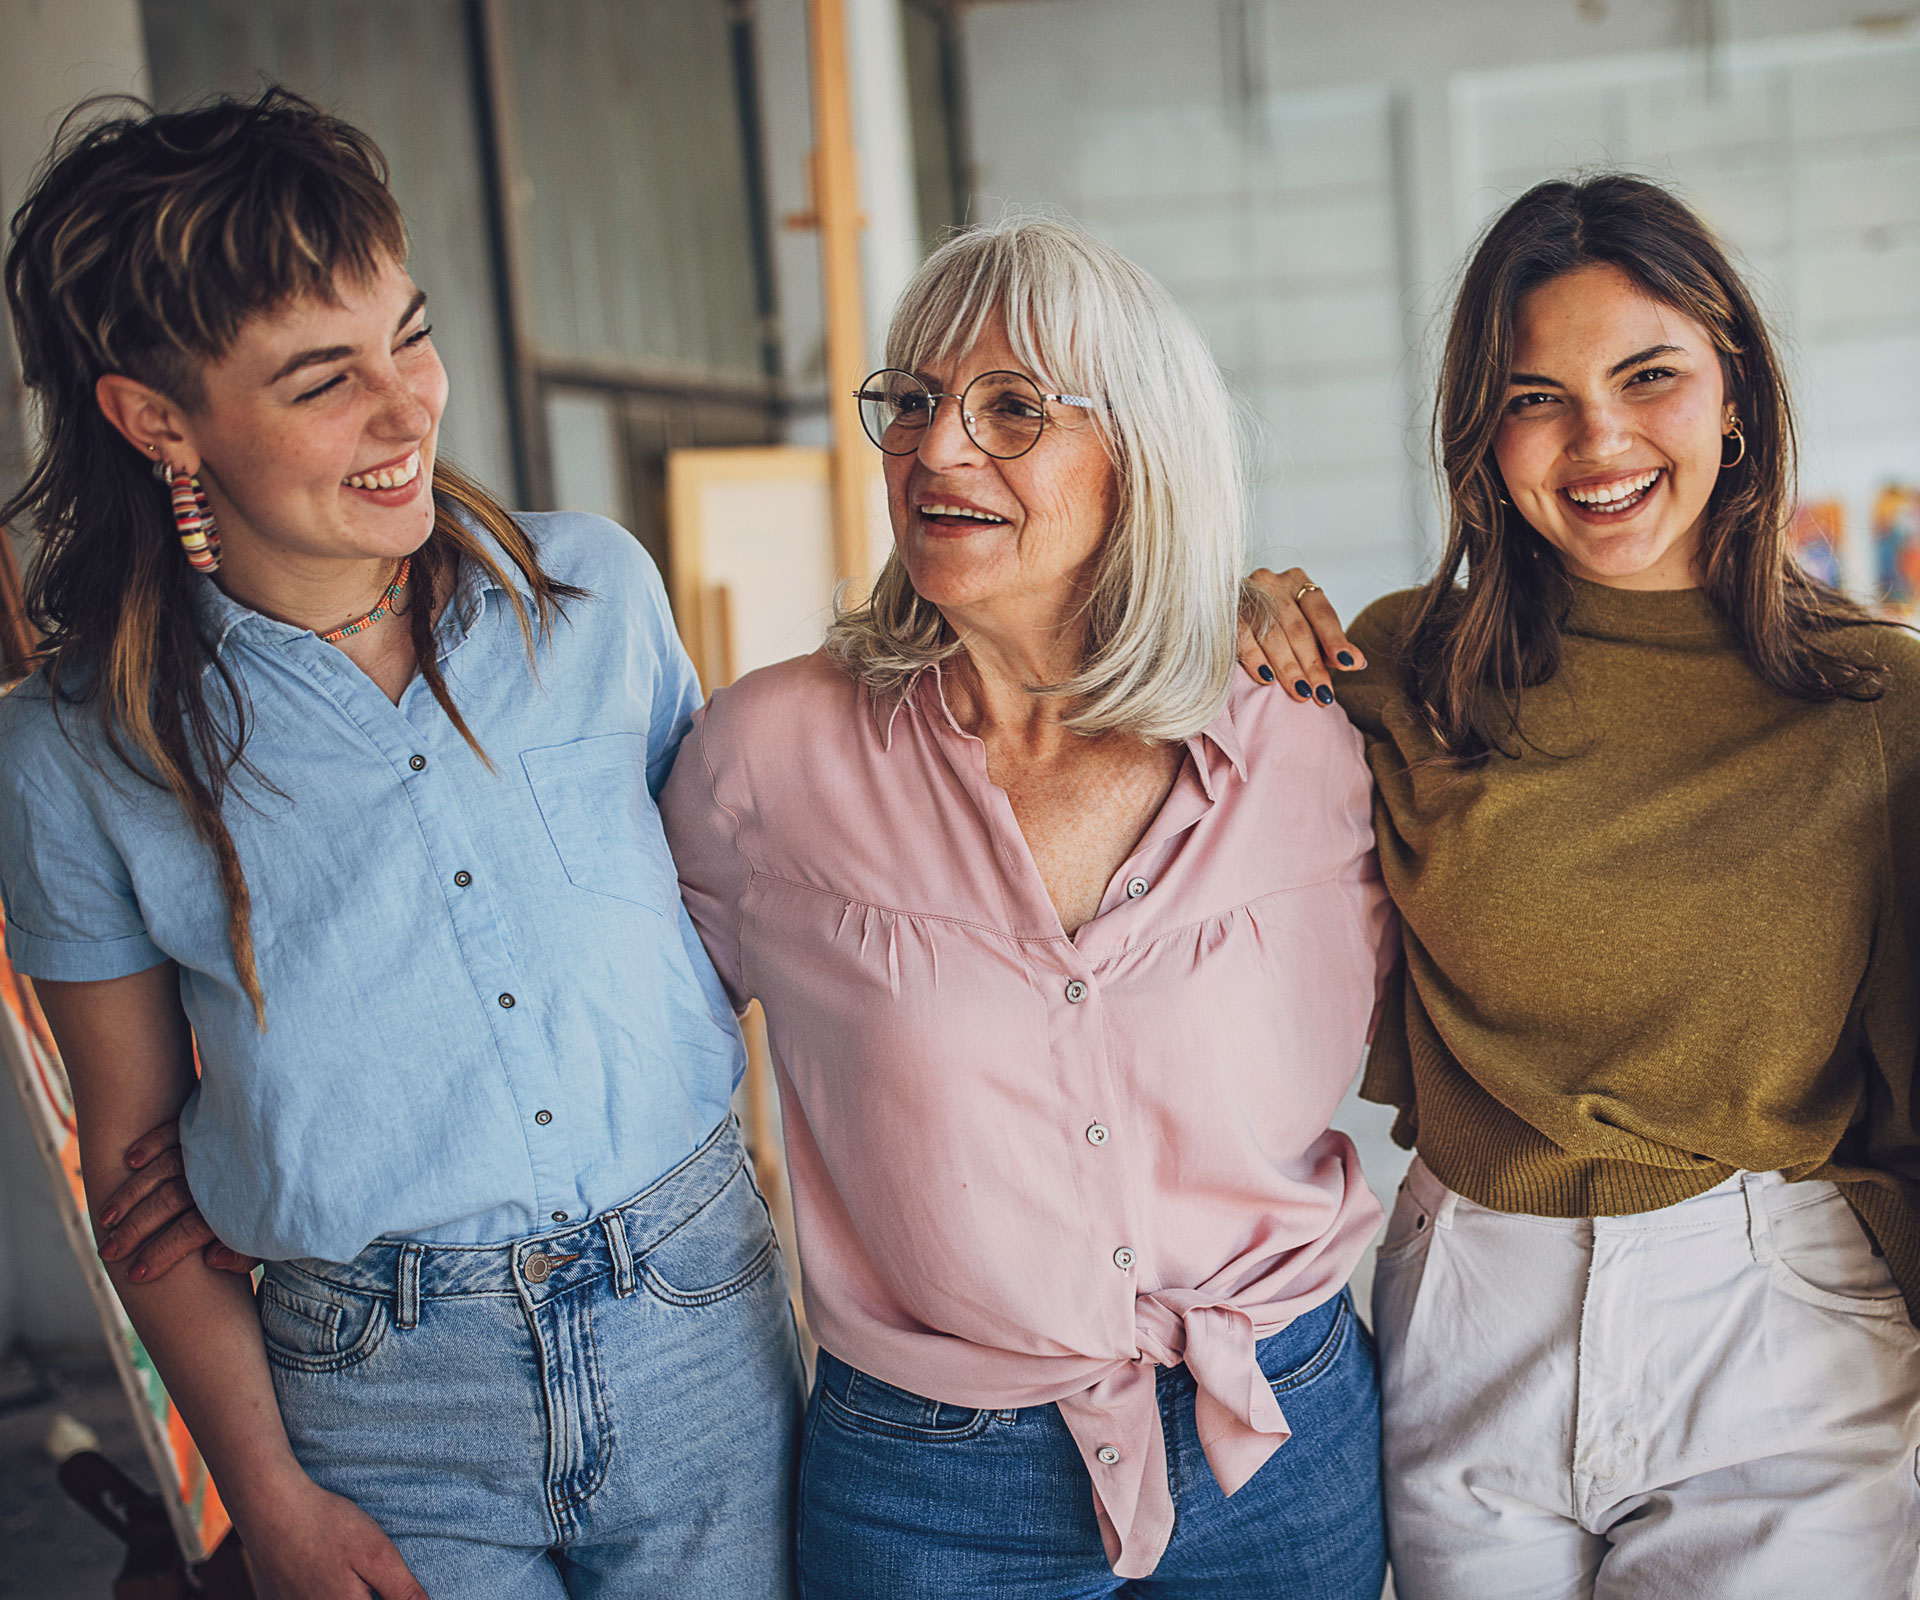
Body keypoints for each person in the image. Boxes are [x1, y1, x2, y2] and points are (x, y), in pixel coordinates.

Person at [0, 89, 800, 1599]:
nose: (407, 407)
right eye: (322, 381)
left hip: (700, 1321)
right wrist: (270, 1504)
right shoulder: (74, 757)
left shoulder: (594, 601)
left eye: (409, 336)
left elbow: (747, 925)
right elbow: (134, 1178)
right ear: (154, 417)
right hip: (378, 1401)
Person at [656, 218, 1396, 1599]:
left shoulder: (1310, 741)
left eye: (1011, 408)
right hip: (932, 1487)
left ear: (1143, 454)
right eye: (916, 402)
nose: (938, 449)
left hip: (1279, 1435)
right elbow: (621, 1064)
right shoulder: (768, 759)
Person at [1242, 174, 1920, 1598]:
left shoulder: (1877, 701)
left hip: (1774, 1315)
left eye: (1649, 375)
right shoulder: (1403, 669)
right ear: (1484, 438)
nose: (1598, 440)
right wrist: (1215, 615)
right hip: (1470, 1301)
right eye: (1535, 396)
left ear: (1734, 390)